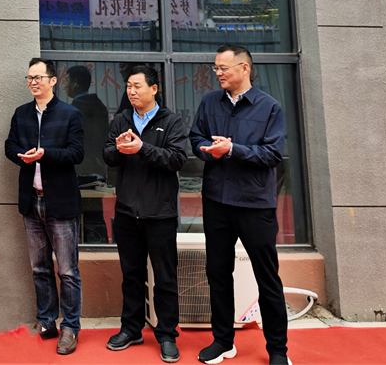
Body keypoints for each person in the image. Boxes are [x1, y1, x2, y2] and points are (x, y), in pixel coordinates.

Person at [189, 44, 291, 365]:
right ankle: (223, 341)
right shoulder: (209, 102)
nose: (218, 73)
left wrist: (233, 150)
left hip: (254, 204)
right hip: (217, 201)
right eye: (216, 68)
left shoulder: (269, 107)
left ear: (244, 68)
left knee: (267, 277)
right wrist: (209, 149)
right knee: (218, 273)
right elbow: (195, 137)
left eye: (224, 68)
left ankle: (277, 350)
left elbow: (272, 154)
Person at [102, 66, 188, 364]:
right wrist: (119, 149)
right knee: (132, 275)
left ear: (154, 89)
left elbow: (177, 159)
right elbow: (107, 156)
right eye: (128, 86)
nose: (132, 91)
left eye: (137, 86)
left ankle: (167, 335)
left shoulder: (171, 121)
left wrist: (142, 148)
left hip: (160, 213)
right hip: (127, 211)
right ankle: (131, 329)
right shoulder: (122, 119)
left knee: (164, 277)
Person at [5, 57, 84, 356]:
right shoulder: (21, 113)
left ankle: (70, 327)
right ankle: (47, 321)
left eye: (39, 77)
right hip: (31, 200)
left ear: (53, 80)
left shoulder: (70, 114)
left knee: (67, 271)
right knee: (39, 268)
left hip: (60, 201)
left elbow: (77, 153)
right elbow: (9, 145)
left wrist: (44, 154)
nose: (33, 82)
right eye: (29, 78)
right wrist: (21, 156)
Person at [66, 65, 110, 243]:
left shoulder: (76, 109)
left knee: (82, 217)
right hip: (97, 170)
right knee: (95, 214)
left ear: (75, 83)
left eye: (66, 80)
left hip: (81, 172)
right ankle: (99, 243)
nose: (64, 85)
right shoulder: (100, 106)